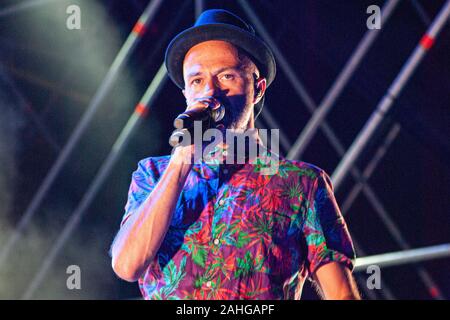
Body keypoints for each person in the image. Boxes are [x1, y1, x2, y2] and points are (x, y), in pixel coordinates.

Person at [111, 9, 360, 300]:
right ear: (186, 95)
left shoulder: (302, 183)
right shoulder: (153, 174)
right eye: (197, 81)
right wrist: (181, 162)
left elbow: (341, 294)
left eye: (226, 76)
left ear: (257, 88)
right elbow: (127, 266)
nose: (210, 92)